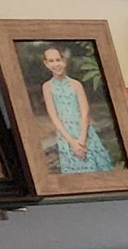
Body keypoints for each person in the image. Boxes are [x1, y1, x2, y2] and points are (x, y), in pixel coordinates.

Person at [34, 42, 109, 173]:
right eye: (51, 61)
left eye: (58, 60)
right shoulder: (47, 87)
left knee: (94, 167)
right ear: (46, 64)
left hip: (83, 132)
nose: (55, 64)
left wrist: (82, 139)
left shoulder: (76, 84)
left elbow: (85, 112)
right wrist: (72, 142)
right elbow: (53, 116)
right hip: (65, 135)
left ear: (64, 61)